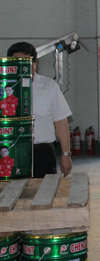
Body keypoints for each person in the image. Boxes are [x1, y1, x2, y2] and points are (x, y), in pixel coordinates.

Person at [7, 42, 72, 178]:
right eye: (17, 62)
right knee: (9, 190)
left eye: (26, 62)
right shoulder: (3, 89)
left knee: (44, 190)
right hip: (10, 152)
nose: (22, 66)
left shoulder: (50, 87)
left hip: (42, 154)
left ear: (35, 64)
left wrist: (66, 153)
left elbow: (61, 121)